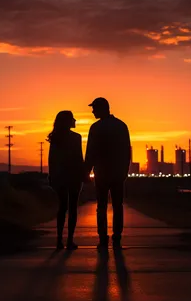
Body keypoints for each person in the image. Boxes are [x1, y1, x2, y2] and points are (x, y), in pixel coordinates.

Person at [85, 97, 131, 250]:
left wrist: (86, 171)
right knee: (118, 206)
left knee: (102, 206)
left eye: (94, 108)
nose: (92, 111)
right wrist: (125, 170)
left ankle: (103, 239)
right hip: (118, 173)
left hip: (102, 173)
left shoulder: (96, 128)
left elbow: (90, 152)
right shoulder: (121, 126)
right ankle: (116, 238)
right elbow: (127, 151)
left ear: (101, 109)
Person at [48, 111, 84, 250]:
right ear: (68, 121)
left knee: (62, 207)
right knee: (72, 208)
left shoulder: (56, 138)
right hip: (74, 176)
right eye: (72, 118)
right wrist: (84, 175)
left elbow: (52, 159)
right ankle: (69, 240)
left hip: (60, 176)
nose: (75, 120)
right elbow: (79, 158)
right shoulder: (76, 137)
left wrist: (52, 176)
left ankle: (59, 240)